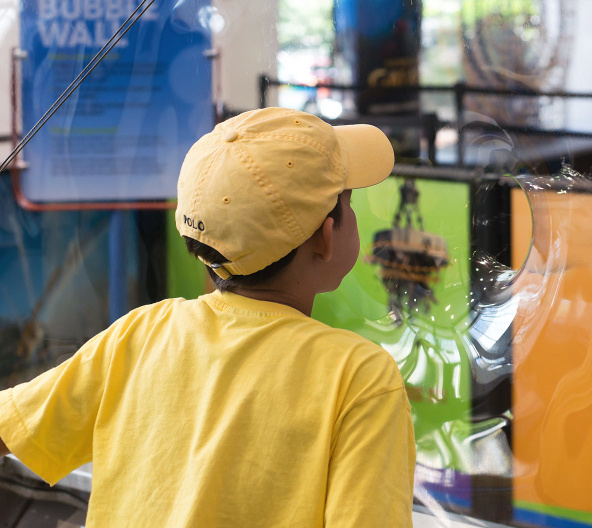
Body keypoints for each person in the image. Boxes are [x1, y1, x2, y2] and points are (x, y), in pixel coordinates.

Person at [0, 108, 415, 526]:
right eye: (348, 200)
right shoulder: (359, 378)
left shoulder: (140, 334)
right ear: (326, 237)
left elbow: (8, 426)